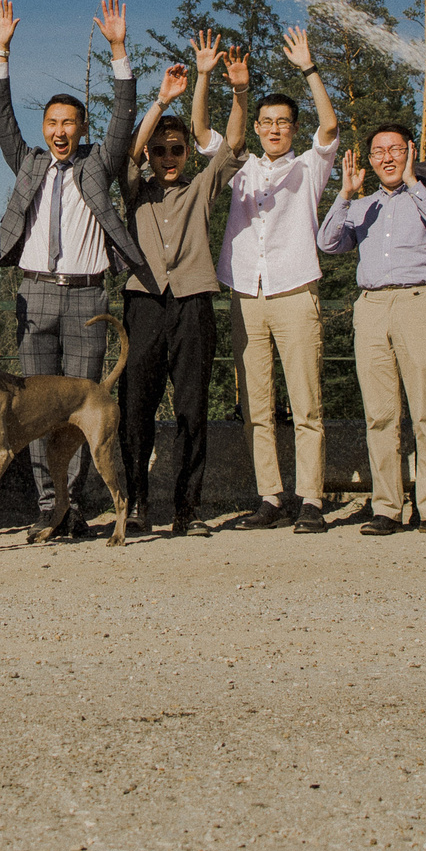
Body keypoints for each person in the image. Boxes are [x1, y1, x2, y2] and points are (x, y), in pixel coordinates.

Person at [0, 0, 153, 537]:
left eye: (70, 123)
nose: (60, 131)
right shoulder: (28, 162)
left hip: (87, 298)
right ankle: (46, 504)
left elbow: (125, 117)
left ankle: (75, 507)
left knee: (83, 410)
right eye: (52, 122)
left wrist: (120, 51)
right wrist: (1, 51)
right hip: (33, 296)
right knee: (33, 410)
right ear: (44, 127)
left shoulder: (98, 165)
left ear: (83, 129)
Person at [115, 32, 246, 538]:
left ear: (187, 153)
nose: (168, 157)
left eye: (176, 149)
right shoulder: (135, 189)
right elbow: (124, 156)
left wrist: (230, 89)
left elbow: (233, 146)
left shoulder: (201, 187)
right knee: (135, 409)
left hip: (192, 301)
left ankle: (187, 509)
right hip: (143, 301)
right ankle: (139, 504)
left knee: (192, 408)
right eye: (160, 150)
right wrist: (162, 100)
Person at [214, 25, 340, 532]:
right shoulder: (239, 166)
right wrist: (235, 93)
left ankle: (311, 498)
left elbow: (330, 126)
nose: (273, 129)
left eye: (283, 122)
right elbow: (211, 136)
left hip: (295, 291)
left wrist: (309, 69)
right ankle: (271, 496)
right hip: (247, 292)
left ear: (293, 128)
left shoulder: (311, 166)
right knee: (256, 405)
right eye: (266, 122)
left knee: (306, 402)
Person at [317, 121, 426, 537]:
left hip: (421, 302)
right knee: (380, 414)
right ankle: (386, 507)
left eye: (395, 150)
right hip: (373, 307)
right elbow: (328, 243)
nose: (387, 158)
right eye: (379, 151)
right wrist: (344, 194)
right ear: (369, 160)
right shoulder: (362, 206)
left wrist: (416, 183)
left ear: (410, 152)